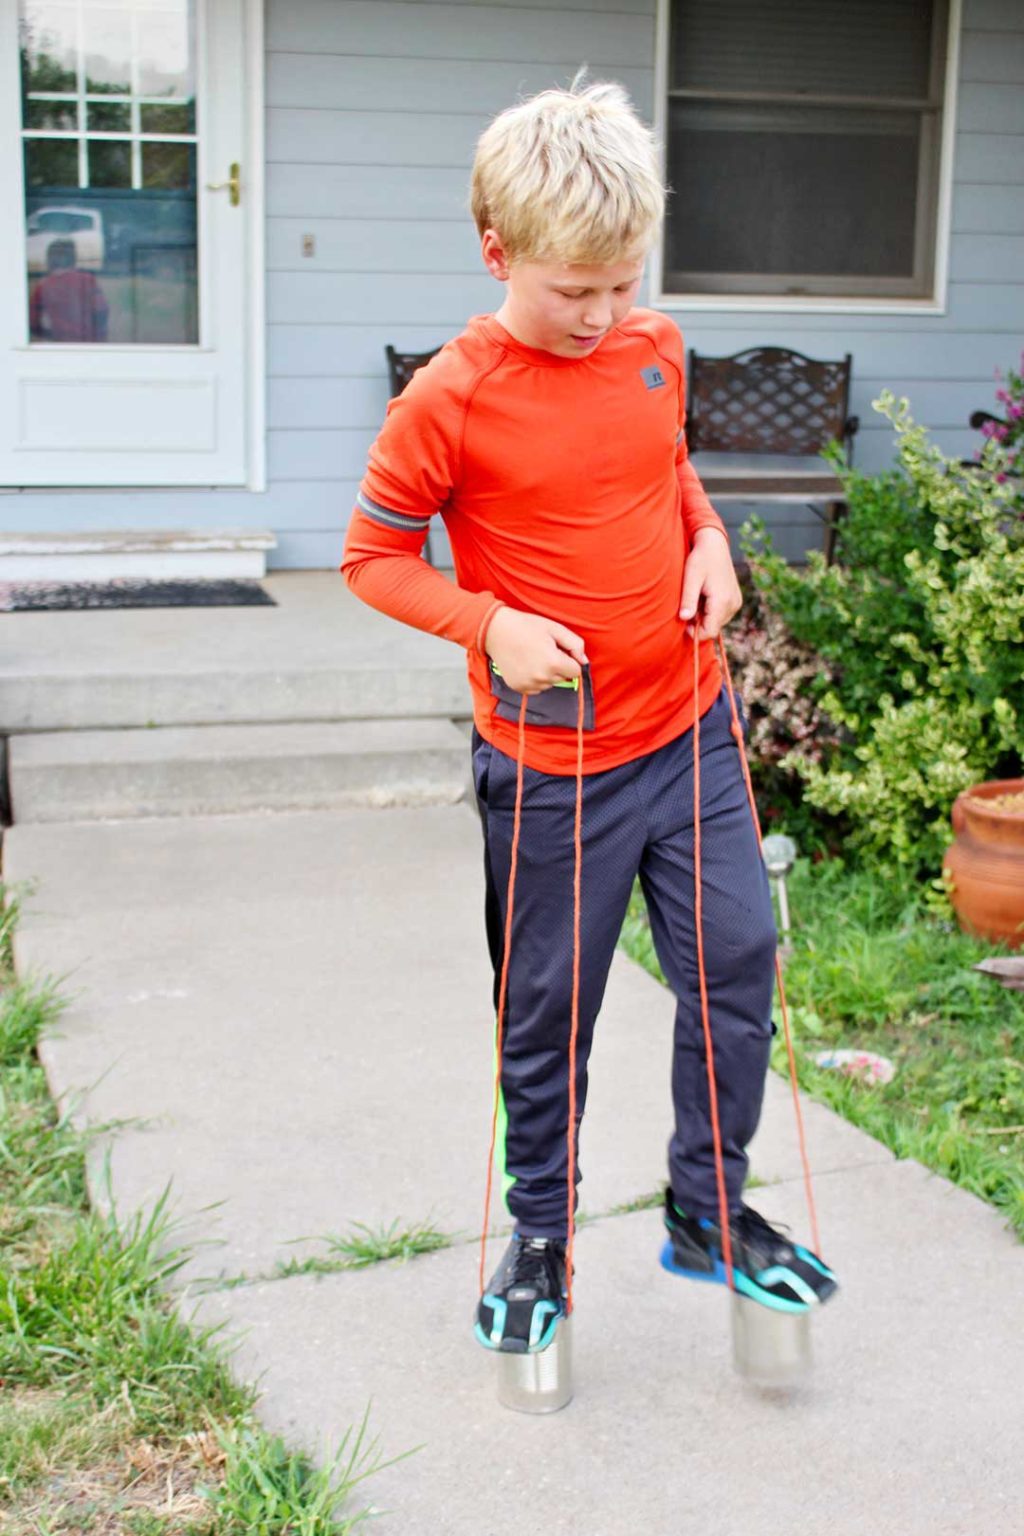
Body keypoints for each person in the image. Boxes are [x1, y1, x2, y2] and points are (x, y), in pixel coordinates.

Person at [342, 79, 836, 1355]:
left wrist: (711, 539)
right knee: (549, 1012)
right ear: (498, 250)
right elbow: (371, 559)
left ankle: (707, 1210)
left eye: (623, 283)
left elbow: (664, 462)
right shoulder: (449, 398)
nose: (603, 314)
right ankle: (543, 1235)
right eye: (576, 290)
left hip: (687, 730)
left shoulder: (650, 346)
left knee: (734, 960)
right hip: (552, 764)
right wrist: (487, 623)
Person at [29, 237, 109, 344]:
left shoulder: (43, 286)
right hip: (90, 343)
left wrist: (52, 335)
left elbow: (33, 323)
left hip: (62, 344)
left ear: (49, 259)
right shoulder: (87, 280)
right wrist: (97, 334)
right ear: (73, 258)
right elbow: (102, 311)